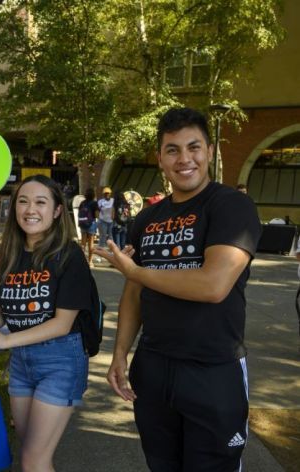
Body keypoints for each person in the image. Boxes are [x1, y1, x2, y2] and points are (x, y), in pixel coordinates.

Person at [95, 107, 261, 472]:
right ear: (160, 158)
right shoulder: (147, 219)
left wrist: (137, 271)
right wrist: (120, 352)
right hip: (153, 367)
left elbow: (213, 285)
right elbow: (134, 293)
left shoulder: (232, 206)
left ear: (209, 151)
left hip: (214, 369)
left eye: (194, 147)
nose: (184, 159)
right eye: (173, 150)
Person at [0, 174, 96, 471]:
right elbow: (5, 314)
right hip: (22, 363)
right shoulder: (9, 255)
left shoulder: (68, 254)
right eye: (23, 201)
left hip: (60, 360)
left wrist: (3, 341)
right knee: (29, 449)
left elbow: (62, 324)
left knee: (33, 459)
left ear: (56, 211)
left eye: (41, 202)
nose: (31, 209)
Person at [77, 188, 99, 267]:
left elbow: (79, 213)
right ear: (93, 195)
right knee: (91, 244)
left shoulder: (82, 203)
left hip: (83, 224)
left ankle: (81, 261)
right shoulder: (94, 203)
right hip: (91, 224)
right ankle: (90, 262)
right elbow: (97, 215)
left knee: (83, 243)